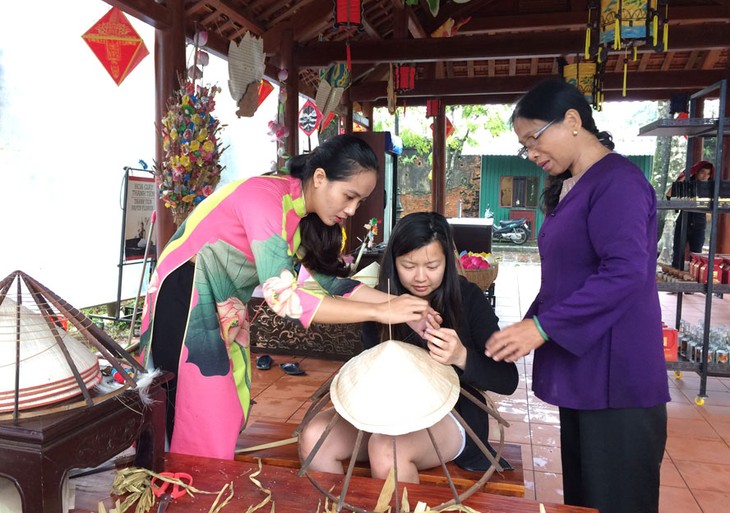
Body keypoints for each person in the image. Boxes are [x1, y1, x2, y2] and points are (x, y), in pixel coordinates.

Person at [139, 134, 432, 460]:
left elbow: (323, 283)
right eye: (349, 196)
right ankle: (179, 491)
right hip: (186, 297)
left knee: (221, 410)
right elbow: (285, 298)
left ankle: (199, 486)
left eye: (359, 202)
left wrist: (396, 306)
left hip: (219, 303)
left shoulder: (295, 213)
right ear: (320, 178)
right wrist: (379, 313)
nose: (351, 210)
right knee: (194, 413)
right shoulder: (265, 200)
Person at [484, 79, 670, 513]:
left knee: (617, 499)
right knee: (586, 500)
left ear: (572, 121)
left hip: (617, 378)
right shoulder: (575, 185)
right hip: (585, 375)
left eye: (534, 138)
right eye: (523, 146)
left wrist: (543, 328)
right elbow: (566, 279)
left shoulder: (618, 182)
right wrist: (524, 327)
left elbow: (625, 272)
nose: (530, 153)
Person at [299, 212, 519, 483]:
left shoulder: (468, 299)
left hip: (452, 414)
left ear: (447, 261)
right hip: (383, 409)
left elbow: (507, 380)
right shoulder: (381, 302)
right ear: (393, 262)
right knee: (314, 435)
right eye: (408, 265)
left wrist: (461, 356)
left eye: (432, 265)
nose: (420, 277)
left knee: (386, 449)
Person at [666, 160, 714, 269]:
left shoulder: (711, 188)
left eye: (708, 173)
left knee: (697, 255)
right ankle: (676, 277)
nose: (705, 176)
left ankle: (694, 278)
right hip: (684, 219)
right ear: (696, 173)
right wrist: (683, 176)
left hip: (699, 222)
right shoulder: (688, 184)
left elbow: (711, 213)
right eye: (702, 172)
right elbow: (669, 195)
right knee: (678, 252)